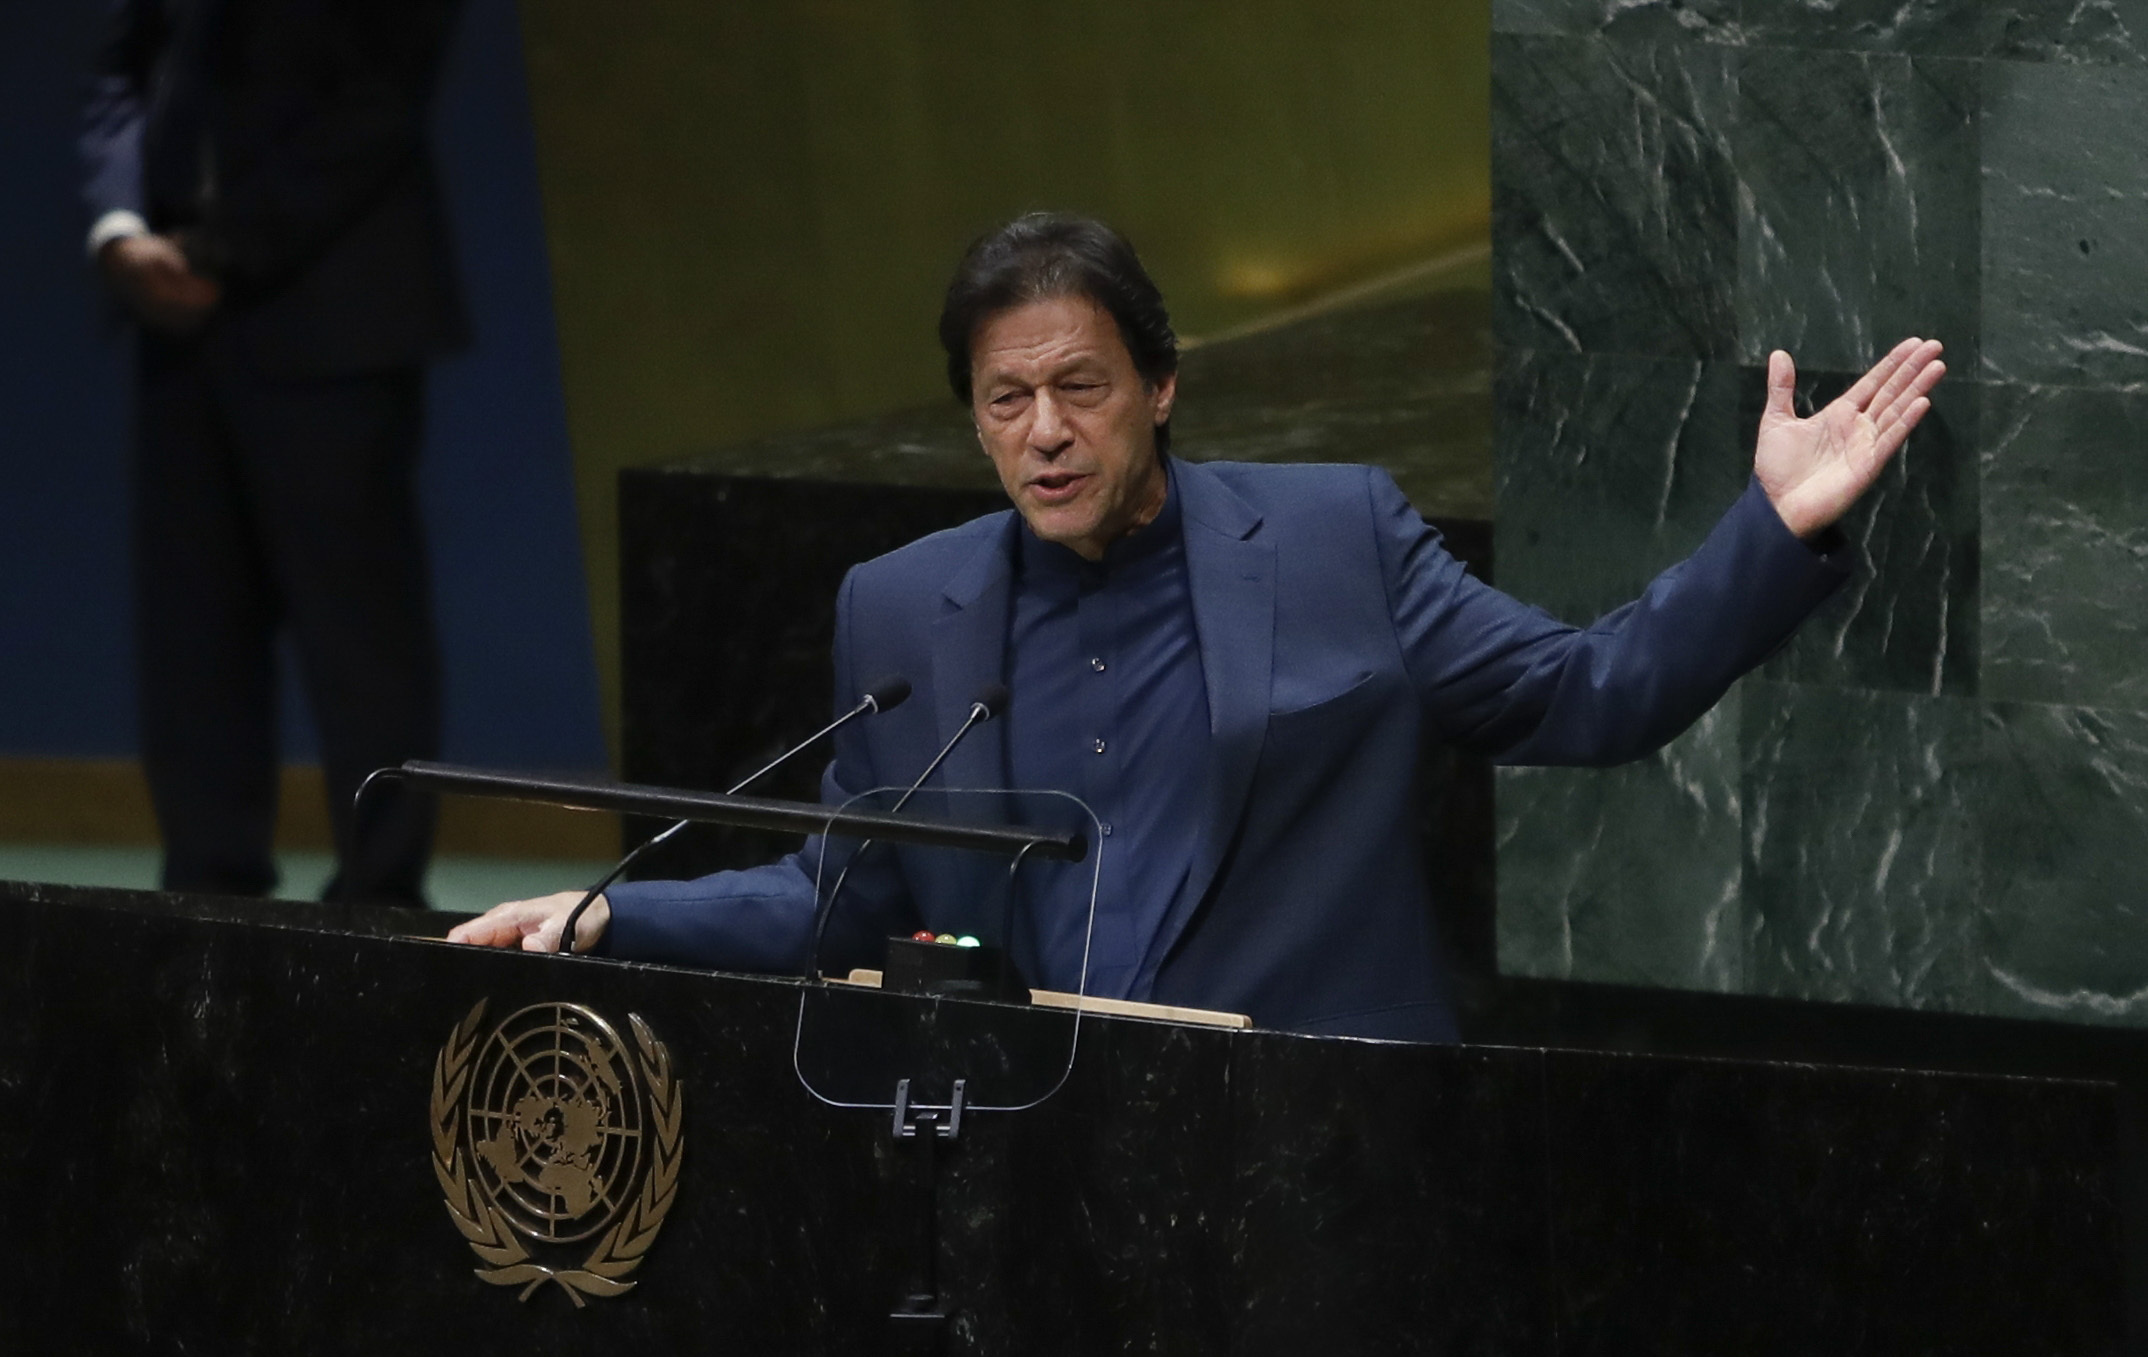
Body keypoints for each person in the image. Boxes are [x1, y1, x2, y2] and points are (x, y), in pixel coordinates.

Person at [451, 213, 1944, 1042]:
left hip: (1319, 1146)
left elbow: (1593, 694)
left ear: (1160, 386)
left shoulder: (1331, 538)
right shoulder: (904, 607)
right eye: (1004, 400)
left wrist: (1778, 526)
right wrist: (609, 915)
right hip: (1045, 1153)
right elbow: (840, 898)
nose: (1044, 432)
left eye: (1079, 388)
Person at [81, 0, 467, 903]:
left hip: (334, 317)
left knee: (363, 644)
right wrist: (117, 230)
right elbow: (124, 66)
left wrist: (220, 249)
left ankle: (380, 909)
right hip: (175, 329)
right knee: (193, 640)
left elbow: (380, 100)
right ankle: (208, 906)